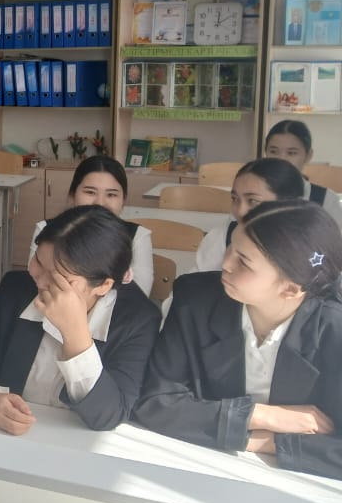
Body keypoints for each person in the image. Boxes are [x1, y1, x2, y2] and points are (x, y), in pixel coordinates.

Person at [135, 201, 342, 481]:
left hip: (298, 483)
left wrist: (271, 443)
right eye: (231, 246)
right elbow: (156, 402)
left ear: (291, 289)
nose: (225, 263)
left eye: (243, 262)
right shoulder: (195, 299)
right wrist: (263, 417)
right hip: (201, 467)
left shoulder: (334, 330)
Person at [0, 205, 160, 433]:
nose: (40, 281)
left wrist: (75, 335)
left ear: (104, 285)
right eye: (38, 261)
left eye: (59, 278)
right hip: (3, 434)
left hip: (74, 444)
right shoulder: (17, 288)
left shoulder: (139, 320)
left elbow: (109, 414)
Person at [28, 155, 153, 294]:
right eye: (90, 192)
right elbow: (36, 283)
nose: (100, 203)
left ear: (123, 200)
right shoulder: (46, 230)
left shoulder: (137, 236)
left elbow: (139, 296)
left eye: (111, 195)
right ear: (72, 195)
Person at [194, 158, 306, 272]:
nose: (240, 211)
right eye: (235, 199)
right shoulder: (222, 237)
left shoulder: (308, 247)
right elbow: (196, 280)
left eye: (252, 201)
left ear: (289, 204)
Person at [263, 120, 342, 231]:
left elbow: (335, 240)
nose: (281, 159)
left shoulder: (326, 200)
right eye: (273, 151)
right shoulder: (250, 195)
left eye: (291, 153)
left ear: (308, 156)